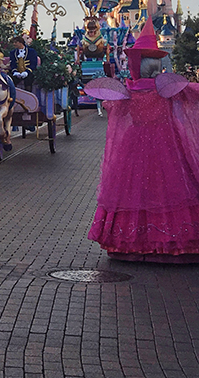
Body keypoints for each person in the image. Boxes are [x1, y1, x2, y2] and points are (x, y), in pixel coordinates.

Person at [85, 22, 199, 261]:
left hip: (133, 147)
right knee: (170, 190)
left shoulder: (130, 91)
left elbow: (111, 107)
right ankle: (173, 241)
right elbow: (191, 94)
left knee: (133, 192)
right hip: (168, 145)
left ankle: (131, 243)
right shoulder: (169, 89)